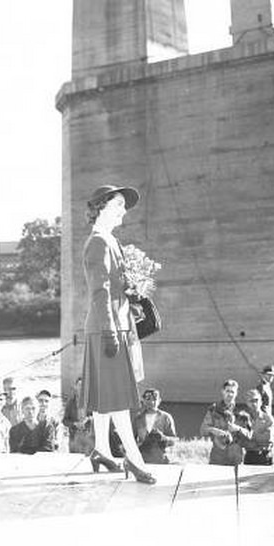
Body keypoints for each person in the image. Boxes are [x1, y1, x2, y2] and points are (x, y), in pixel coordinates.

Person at [80, 184, 154, 484]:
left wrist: (132, 295)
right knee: (118, 399)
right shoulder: (98, 243)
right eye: (119, 204)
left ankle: (101, 450)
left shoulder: (110, 241)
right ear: (101, 207)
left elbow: (113, 288)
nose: (124, 210)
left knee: (104, 396)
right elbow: (100, 291)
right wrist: (110, 330)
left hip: (113, 325)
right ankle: (134, 460)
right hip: (106, 329)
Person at [200, 379, 251, 466]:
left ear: (236, 393)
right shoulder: (214, 410)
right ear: (222, 391)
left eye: (232, 392)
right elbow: (203, 430)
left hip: (236, 457)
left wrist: (238, 429)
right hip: (218, 456)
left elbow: (250, 435)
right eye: (227, 391)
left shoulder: (242, 413)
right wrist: (214, 430)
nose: (230, 394)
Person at [133, 388, 177, 465]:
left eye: (154, 399)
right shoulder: (138, 419)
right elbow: (131, 440)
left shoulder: (166, 417)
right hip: (142, 459)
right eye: (148, 399)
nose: (152, 402)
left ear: (159, 401)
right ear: (143, 400)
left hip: (161, 458)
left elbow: (174, 440)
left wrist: (163, 437)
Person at [242, 390, 274, 465]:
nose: (254, 403)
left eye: (256, 400)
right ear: (247, 403)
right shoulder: (243, 419)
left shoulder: (267, 419)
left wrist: (249, 436)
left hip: (264, 456)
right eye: (251, 401)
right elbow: (241, 440)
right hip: (249, 456)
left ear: (261, 402)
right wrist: (258, 435)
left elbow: (267, 438)